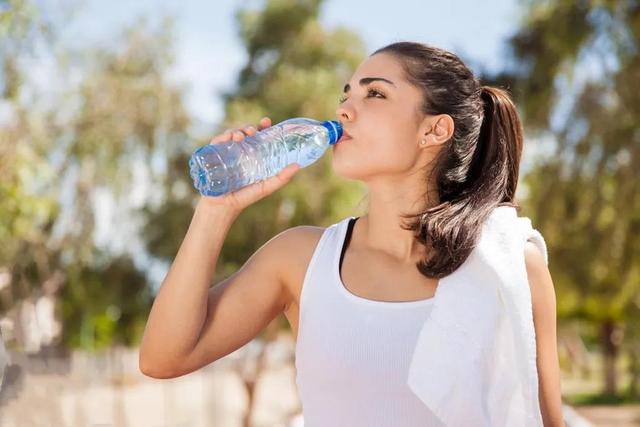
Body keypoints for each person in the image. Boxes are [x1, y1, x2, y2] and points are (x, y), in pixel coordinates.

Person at [139, 41, 565, 426]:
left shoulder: (508, 267)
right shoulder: (301, 259)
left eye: (374, 93)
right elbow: (163, 357)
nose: (344, 109)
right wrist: (217, 209)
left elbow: (544, 419)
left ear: (434, 130)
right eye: (346, 93)